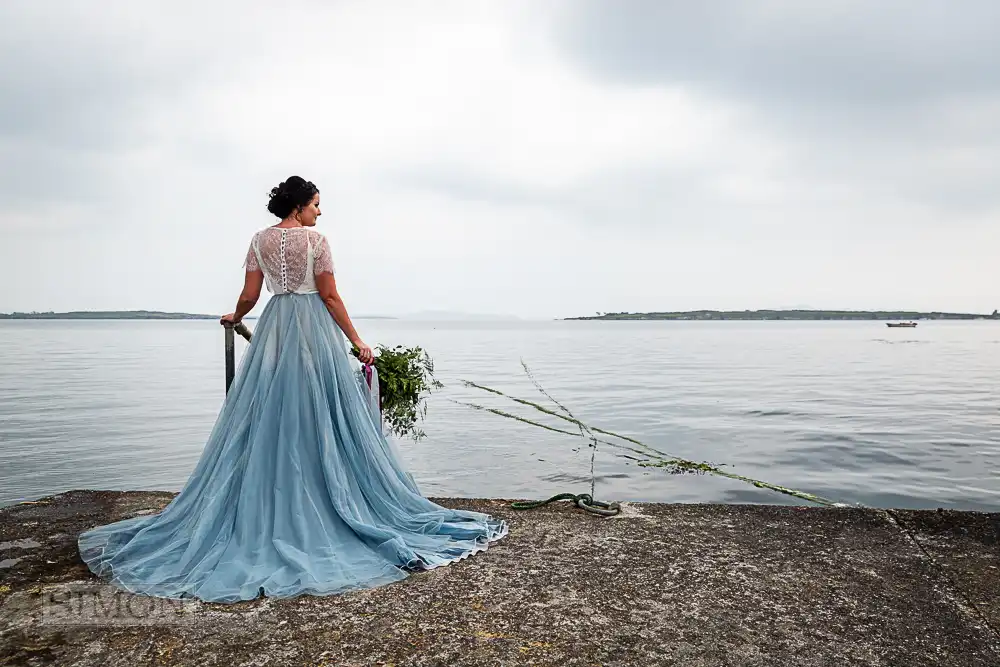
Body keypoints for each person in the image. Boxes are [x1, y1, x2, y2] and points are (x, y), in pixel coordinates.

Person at [77, 176, 507, 603]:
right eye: (316, 204)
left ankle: (269, 493)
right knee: (319, 411)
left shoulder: (258, 240)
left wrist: (235, 315)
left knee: (266, 412)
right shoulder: (317, 241)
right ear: (299, 206)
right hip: (313, 331)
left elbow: (249, 295)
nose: (319, 212)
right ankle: (320, 494)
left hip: (275, 329)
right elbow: (331, 298)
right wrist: (357, 341)